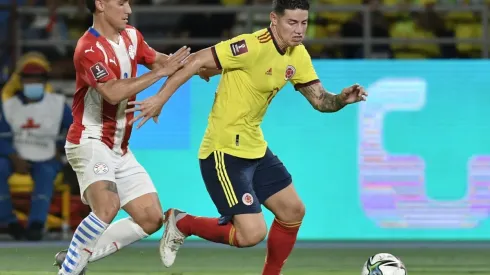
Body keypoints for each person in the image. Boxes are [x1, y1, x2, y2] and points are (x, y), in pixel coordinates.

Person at [128, 0, 368, 274]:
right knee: (251, 235)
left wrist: (340, 99)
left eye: (304, 23)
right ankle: (182, 222)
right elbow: (196, 61)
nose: (299, 30)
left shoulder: (297, 54)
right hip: (224, 149)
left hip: (254, 147)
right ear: (274, 20)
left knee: (293, 211)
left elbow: (320, 100)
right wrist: (160, 97)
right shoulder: (249, 46)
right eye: (292, 22)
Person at [52, 0, 190, 274]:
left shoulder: (132, 36)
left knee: (151, 219)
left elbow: (162, 61)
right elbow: (113, 92)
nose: (128, 9)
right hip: (90, 142)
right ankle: (68, 270)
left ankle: (77, 255)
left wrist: (200, 65)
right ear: (101, 4)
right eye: (121, 2)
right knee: (107, 206)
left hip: (120, 149)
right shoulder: (88, 48)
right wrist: (162, 72)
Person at [0, 52, 72, 241]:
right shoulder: (8, 105)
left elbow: (75, 129)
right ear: (21, 81)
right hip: (15, 155)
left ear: (44, 81)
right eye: (29, 79)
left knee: (47, 172)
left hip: (47, 153)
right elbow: (1, 136)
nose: (33, 83)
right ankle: (10, 222)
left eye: (38, 79)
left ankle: (36, 224)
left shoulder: (58, 104)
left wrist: (61, 147)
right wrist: (14, 157)